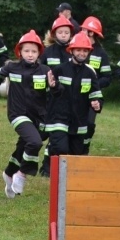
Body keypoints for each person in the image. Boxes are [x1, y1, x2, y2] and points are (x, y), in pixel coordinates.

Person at [0, 30, 53, 198]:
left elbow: (54, 93)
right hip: (18, 114)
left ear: (39, 53)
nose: (30, 54)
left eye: (34, 51)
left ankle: (8, 173)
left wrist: (55, 87)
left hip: (39, 116)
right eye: (26, 51)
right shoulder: (11, 67)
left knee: (25, 146)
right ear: (19, 51)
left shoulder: (45, 70)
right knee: (34, 143)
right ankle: (21, 174)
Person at [43, 32, 102, 174]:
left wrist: (98, 103)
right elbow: (50, 93)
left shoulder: (90, 73)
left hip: (79, 121)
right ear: (72, 51)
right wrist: (53, 87)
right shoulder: (59, 70)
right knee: (61, 148)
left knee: (74, 153)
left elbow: (96, 94)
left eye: (85, 50)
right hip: (58, 118)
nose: (82, 53)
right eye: (79, 50)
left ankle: (52, 159)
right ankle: (47, 167)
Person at [37, 15, 75, 175]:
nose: (64, 35)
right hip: (49, 100)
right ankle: (45, 167)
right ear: (54, 34)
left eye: (67, 32)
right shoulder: (47, 52)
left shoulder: (73, 52)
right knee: (46, 134)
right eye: (61, 32)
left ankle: (48, 168)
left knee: (57, 136)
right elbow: (40, 73)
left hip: (68, 100)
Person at [79, 15, 113, 154]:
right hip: (75, 94)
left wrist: (92, 85)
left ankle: (84, 148)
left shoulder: (101, 54)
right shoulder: (77, 47)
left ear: (91, 32)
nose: (80, 31)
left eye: (83, 29)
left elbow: (107, 77)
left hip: (93, 96)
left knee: (89, 124)